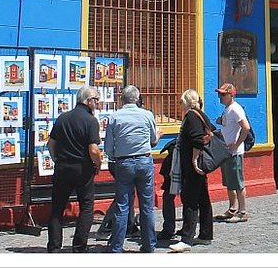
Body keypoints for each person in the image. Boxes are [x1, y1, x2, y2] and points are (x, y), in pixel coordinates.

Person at [103, 85, 159, 253]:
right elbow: (152, 139)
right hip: (144, 160)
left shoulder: (114, 117)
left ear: (122, 99)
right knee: (147, 205)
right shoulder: (147, 115)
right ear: (137, 98)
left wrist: (116, 155)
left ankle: (116, 246)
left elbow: (108, 147)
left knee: (123, 205)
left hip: (124, 162)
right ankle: (149, 244)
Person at [46, 86, 102, 253]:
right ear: (88, 101)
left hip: (62, 168)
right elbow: (93, 150)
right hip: (82, 169)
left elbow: (50, 144)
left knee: (57, 209)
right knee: (86, 207)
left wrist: (57, 159)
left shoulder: (63, 118)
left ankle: (54, 247)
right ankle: (79, 247)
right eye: (96, 100)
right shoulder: (91, 121)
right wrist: (98, 164)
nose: (97, 104)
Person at [170, 89, 214, 252]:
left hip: (193, 166)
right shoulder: (202, 115)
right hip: (199, 165)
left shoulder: (191, 116)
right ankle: (205, 234)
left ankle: (187, 238)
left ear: (187, 103)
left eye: (181, 102)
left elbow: (198, 139)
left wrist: (194, 160)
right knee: (203, 199)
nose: (180, 106)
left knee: (190, 200)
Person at [214, 83, 251, 224]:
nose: (220, 97)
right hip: (227, 152)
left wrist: (236, 144)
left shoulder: (236, 109)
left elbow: (245, 127)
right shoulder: (228, 109)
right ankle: (232, 208)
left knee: (238, 182)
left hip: (234, 153)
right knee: (229, 183)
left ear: (231, 95)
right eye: (220, 94)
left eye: (223, 94)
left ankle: (242, 212)